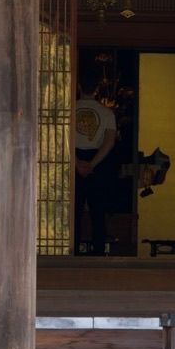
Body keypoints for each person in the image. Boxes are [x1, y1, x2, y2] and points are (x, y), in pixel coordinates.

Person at [73, 74, 121, 254]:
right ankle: (99, 250)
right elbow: (109, 142)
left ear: (78, 86)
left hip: (74, 157)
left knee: (73, 210)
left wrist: (76, 162)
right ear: (97, 89)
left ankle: (73, 250)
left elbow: (62, 138)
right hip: (98, 160)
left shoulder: (70, 109)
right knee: (97, 210)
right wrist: (92, 164)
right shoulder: (107, 113)